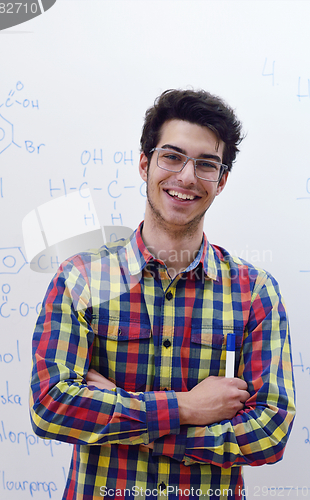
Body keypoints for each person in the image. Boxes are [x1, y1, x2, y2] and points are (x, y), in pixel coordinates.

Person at [30, 89, 296, 500]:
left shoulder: (254, 291)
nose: (186, 177)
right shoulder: (81, 279)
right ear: (145, 163)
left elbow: (270, 432)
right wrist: (187, 408)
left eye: (206, 164)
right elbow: (51, 407)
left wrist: (139, 421)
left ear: (221, 181)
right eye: (171, 157)